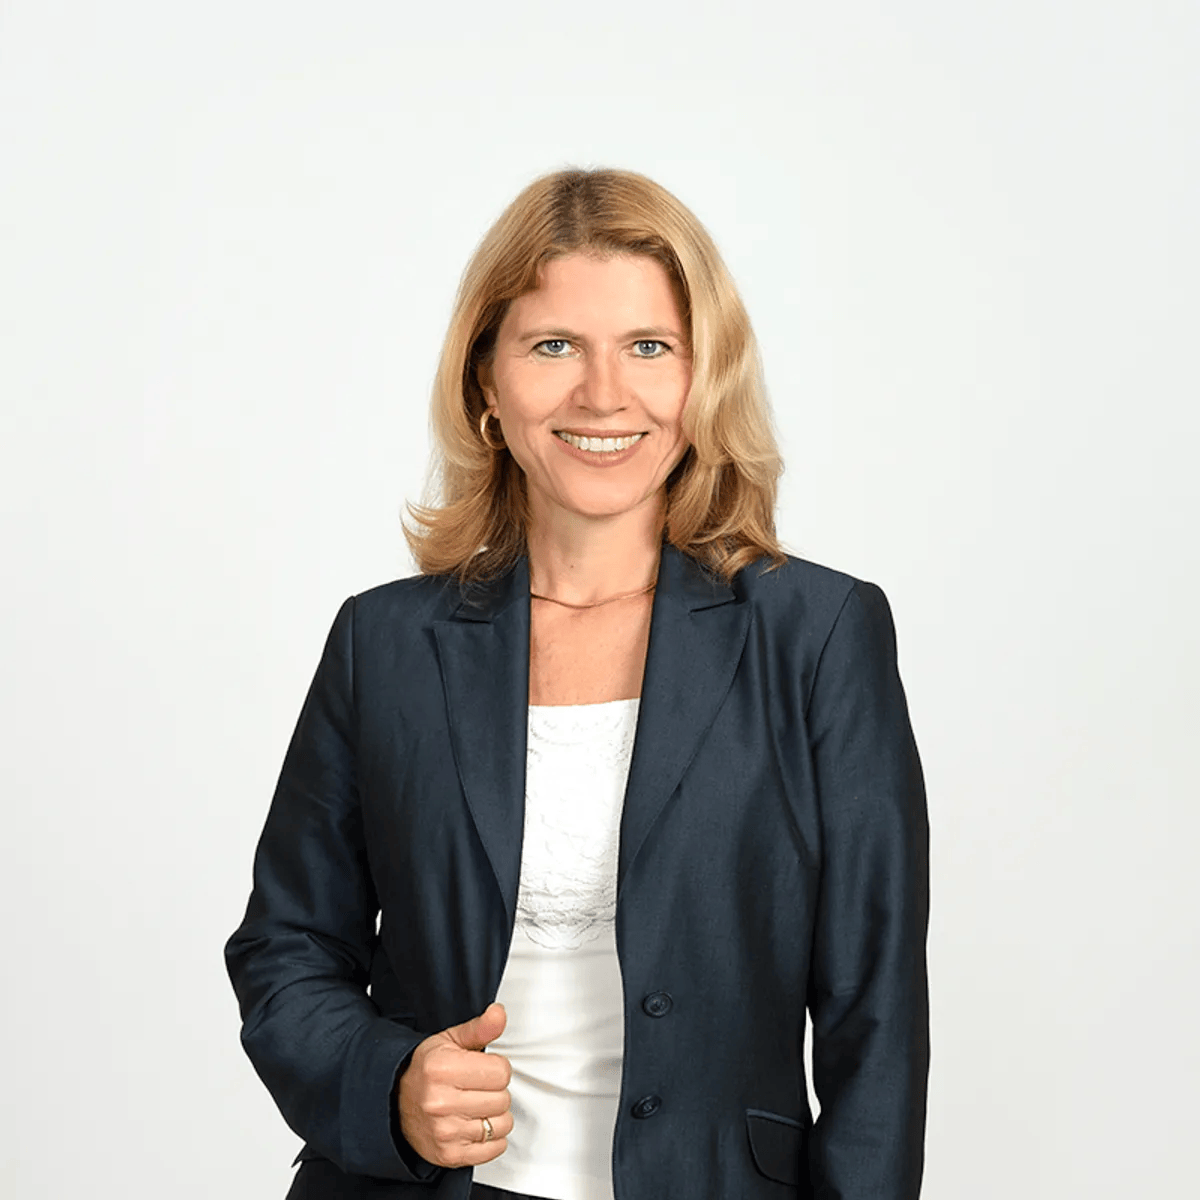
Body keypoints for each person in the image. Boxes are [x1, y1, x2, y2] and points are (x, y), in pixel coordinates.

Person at [225, 167, 930, 1200]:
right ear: (486, 382)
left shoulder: (819, 636)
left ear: (704, 376)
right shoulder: (384, 643)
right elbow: (287, 945)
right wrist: (390, 1087)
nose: (603, 394)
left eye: (649, 347)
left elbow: (877, 1013)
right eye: (554, 346)